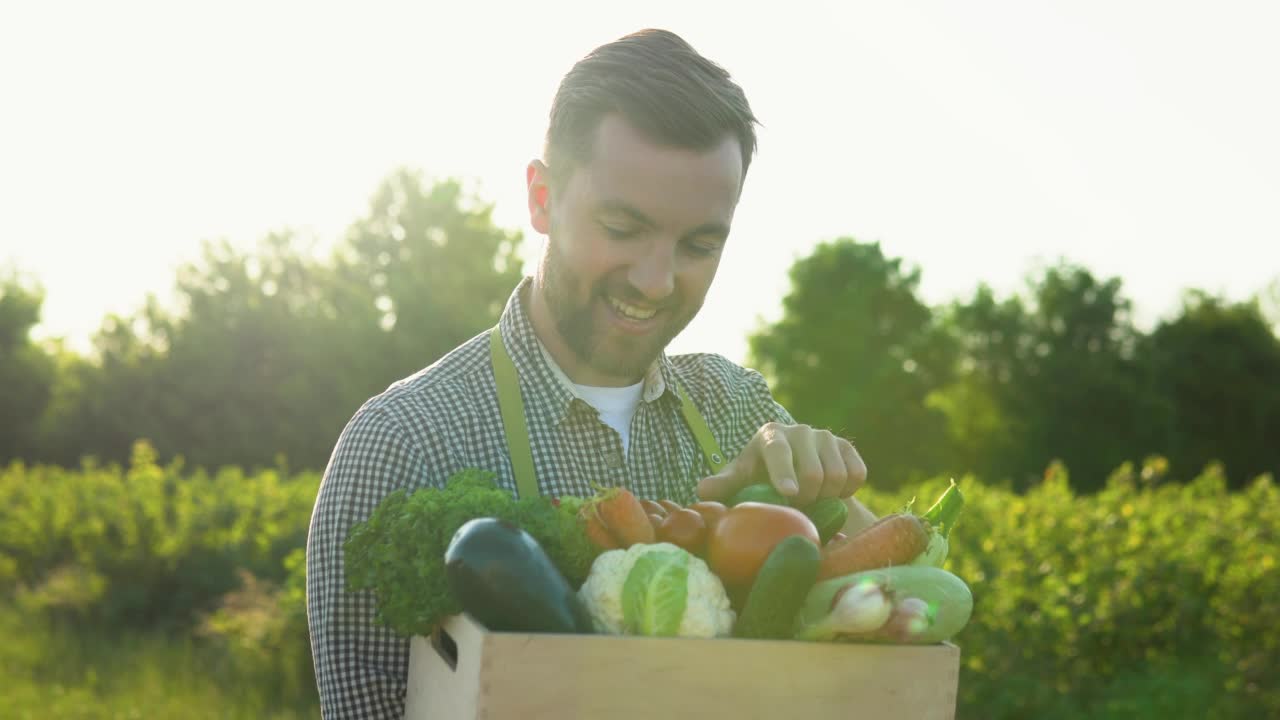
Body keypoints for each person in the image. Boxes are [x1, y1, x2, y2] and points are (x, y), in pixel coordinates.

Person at [306, 28, 881, 718]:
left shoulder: (738, 408)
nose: (656, 280)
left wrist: (832, 501)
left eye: (698, 244)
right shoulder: (404, 442)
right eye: (623, 227)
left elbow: (887, 623)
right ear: (542, 199)